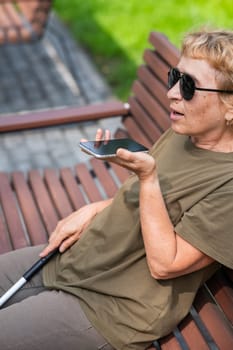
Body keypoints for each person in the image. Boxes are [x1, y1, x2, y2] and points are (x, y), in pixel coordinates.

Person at [1, 27, 233, 350]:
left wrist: (148, 177)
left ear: (230, 107)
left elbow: (166, 263)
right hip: (81, 260)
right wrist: (95, 209)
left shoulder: (228, 185)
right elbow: (145, 201)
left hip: (110, 308)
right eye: (174, 77)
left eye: (189, 86)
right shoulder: (187, 130)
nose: (172, 93)